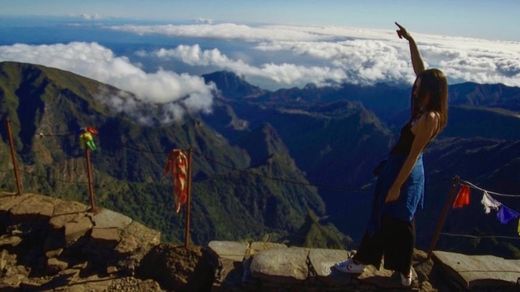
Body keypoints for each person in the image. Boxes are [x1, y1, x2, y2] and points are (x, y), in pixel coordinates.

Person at [333, 22, 448, 287]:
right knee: (399, 220)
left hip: (405, 169)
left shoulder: (429, 117)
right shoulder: (428, 107)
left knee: (389, 217)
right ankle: (402, 270)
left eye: (421, 86)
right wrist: (411, 40)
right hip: (402, 166)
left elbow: (413, 153)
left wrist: (396, 185)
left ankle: (361, 262)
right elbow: (421, 69)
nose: (415, 88)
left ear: (432, 91)